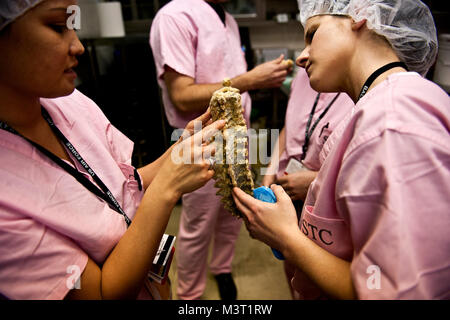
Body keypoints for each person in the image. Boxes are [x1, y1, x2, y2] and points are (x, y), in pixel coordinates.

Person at [0, 0, 224, 300]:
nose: (78, 46)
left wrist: (176, 155)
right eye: (56, 27)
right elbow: (102, 293)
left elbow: (115, 189)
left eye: (73, 27)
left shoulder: (68, 104)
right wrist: (167, 189)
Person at [233, 0, 450, 299]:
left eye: (313, 34)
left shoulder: (393, 122)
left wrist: (286, 237)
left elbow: (390, 291)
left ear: (360, 16)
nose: (302, 56)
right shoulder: (380, 107)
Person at [149, 0, 292, 300]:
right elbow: (182, 96)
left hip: (239, 136)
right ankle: (189, 295)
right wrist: (250, 80)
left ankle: (222, 268)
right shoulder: (175, 16)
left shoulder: (228, 19)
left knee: (235, 210)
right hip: (201, 138)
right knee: (198, 224)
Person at [262, 68, 354, 299]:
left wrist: (314, 180)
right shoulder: (302, 77)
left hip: (327, 203)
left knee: (320, 274)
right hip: (289, 191)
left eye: (313, 36)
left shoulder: (360, 90)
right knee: (292, 262)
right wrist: (269, 171)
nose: (303, 55)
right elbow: (288, 129)